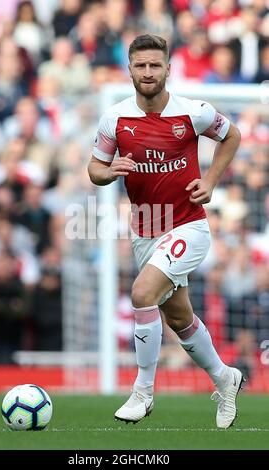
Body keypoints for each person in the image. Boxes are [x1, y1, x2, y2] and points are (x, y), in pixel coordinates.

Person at [88, 34, 243, 429]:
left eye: (155, 65)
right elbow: (95, 168)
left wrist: (211, 181)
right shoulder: (115, 119)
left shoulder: (194, 112)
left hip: (188, 225)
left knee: (141, 293)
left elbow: (232, 136)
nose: (148, 72)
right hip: (146, 230)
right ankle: (225, 378)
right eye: (140, 66)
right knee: (179, 319)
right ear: (130, 71)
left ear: (168, 69)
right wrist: (110, 172)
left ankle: (143, 391)